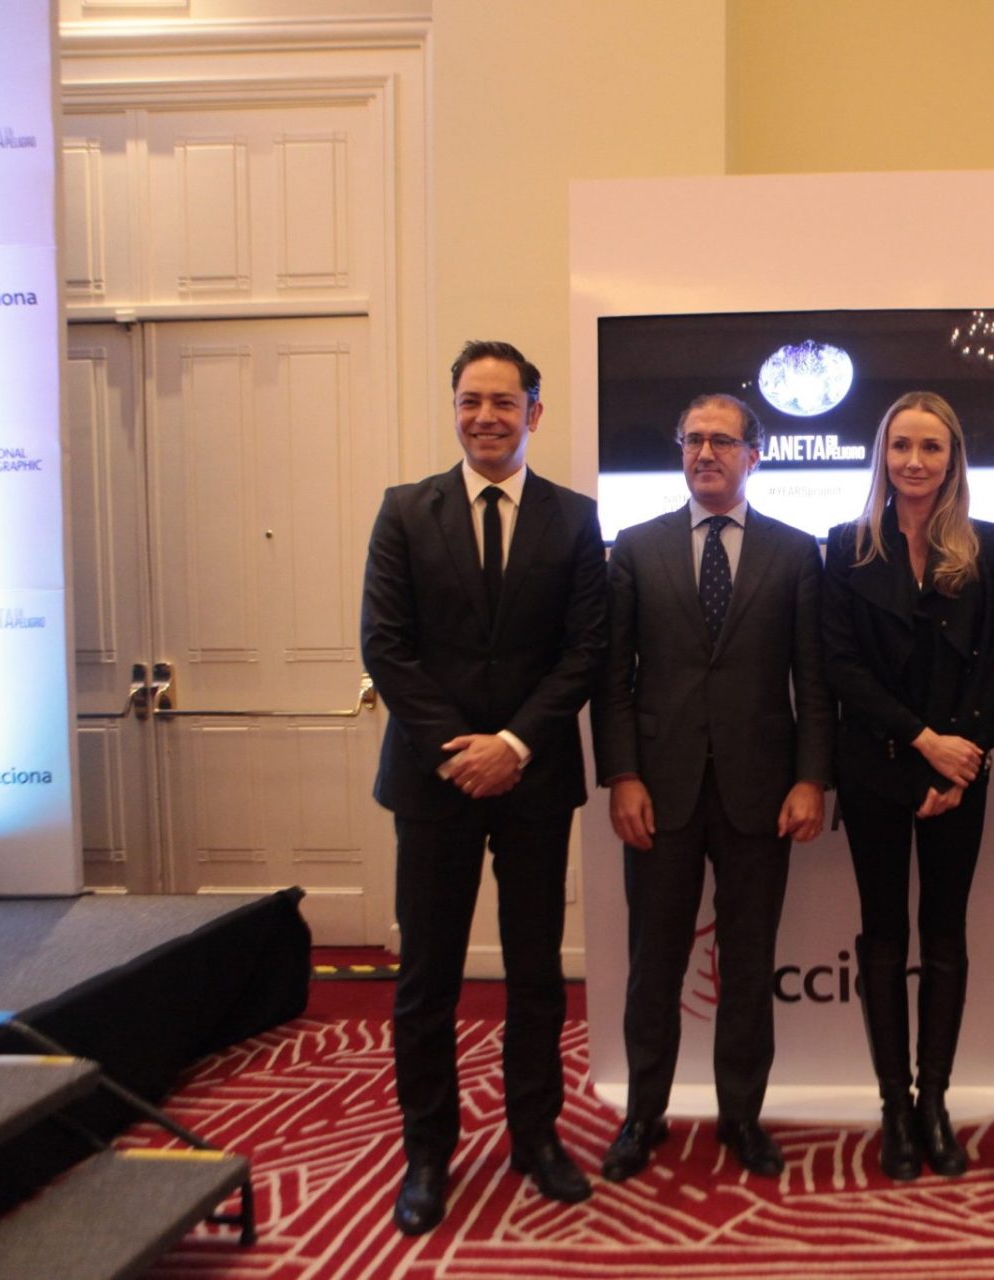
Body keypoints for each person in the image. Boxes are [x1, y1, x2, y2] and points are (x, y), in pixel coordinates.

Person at [361, 340, 608, 1235]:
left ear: (534, 414)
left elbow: (586, 651)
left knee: (536, 974)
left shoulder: (576, 520)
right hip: (432, 784)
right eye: (471, 401)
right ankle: (428, 1150)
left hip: (534, 780)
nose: (486, 417)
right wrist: (460, 750)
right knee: (426, 978)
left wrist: (511, 744)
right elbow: (384, 647)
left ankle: (535, 1138)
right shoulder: (403, 512)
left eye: (505, 402)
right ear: (454, 408)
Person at [591, 392, 833, 1181]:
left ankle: (742, 1118)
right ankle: (642, 1116)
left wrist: (810, 780)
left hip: (761, 793)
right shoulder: (633, 548)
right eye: (692, 439)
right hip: (656, 794)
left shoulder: (798, 554)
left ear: (753, 455)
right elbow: (613, 681)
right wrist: (621, 774)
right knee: (652, 964)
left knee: (749, 961)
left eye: (722, 441)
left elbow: (814, 684)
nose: (705, 454)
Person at [821, 392, 994, 1181]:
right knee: (883, 935)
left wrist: (958, 759)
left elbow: (991, 663)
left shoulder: (989, 546)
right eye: (901, 445)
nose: (915, 461)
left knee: (945, 934)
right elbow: (842, 669)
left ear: (952, 457)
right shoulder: (846, 546)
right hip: (876, 768)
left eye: (931, 447)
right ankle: (893, 1105)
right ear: (882, 454)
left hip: (958, 773)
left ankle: (936, 1102)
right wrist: (924, 742)